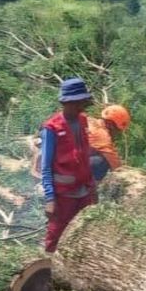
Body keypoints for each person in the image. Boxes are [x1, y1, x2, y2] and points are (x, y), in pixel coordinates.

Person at [39, 77, 98, 253]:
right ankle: (48, 269)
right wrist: (50, 199)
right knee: (56, 234)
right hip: (63, 194)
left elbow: (84, 156)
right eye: (77, 103)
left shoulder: (82, 121)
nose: (80, 106)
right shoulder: (51, 128)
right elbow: (46, 166)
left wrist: (92, 186)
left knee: (84, 231)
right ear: (66, 102)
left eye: (82, 102)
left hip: (84, 189)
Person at [87, 104, 131, 182]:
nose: (117, 134)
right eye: (118, 130)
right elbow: (116, 165)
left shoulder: (89, 121)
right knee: (103, 162)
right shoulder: (102, 135)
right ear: (111, 125)